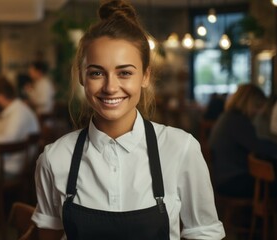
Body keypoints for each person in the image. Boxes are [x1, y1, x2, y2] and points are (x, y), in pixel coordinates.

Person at [31, 1, 225, 239]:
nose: (111, 87)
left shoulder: (181, 149)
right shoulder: (55, 158)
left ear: (145, 76)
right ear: (82, 77)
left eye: (125, 72)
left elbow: (204, 233)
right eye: (97, 73)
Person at [209, 84, 277, 198]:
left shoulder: (228, 117)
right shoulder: (237, 121)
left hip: (223, 177)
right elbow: (258, 146)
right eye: (257, 106)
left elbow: (255, 143)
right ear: (247, 103)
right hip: (232, 180)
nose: (259, 111)